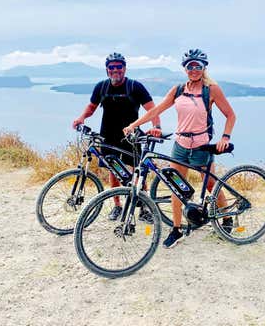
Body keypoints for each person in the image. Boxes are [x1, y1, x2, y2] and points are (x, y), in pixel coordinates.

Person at [123, 48, 236, 248]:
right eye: (190, 66)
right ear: (184, 68)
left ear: (204, 68)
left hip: (202, 144)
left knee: (210, 184)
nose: (194, 69)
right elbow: (157, 109)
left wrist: (225, 137)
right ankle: (176, 229)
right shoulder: (177, 90)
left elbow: (230, 115)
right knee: (175, 185)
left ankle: (226, 217)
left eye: (197, 66)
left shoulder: (212, 90)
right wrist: (134, 125)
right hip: (181, 145)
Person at [72, 52, 162, 221]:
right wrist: (81, 118)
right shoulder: (102, 87)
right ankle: (117, 206)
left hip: (132, 136)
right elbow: (91, 107)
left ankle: (144, 208)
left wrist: (156, 127)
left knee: (138, 171)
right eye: (111, 67)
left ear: (124, 68)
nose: (115, 70)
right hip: (108, 135)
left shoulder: (135, 87)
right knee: (113, 170)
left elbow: (152, 110)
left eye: (118, 67)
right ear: (107, 70)